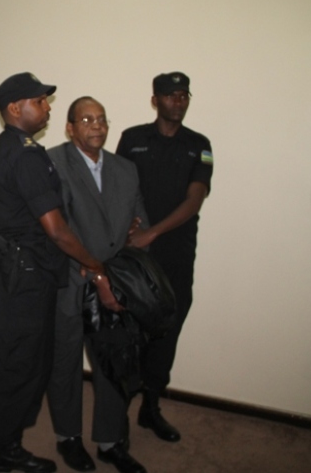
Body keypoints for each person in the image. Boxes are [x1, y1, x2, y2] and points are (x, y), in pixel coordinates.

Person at [0, 73, 121, 473]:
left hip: (20, 272)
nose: (47, 108)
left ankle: (2, 444)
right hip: (25, 275)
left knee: (22, 366)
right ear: (14, 108)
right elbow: (56, 229)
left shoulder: (7, 149)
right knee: (18, 370)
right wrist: (95, 264)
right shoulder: (23, 154)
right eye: (39, 101)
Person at [46, 97, 148, 473]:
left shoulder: (126, 168)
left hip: (116, 281)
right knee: (66, 363)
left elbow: (139, 219)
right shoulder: (53, 162)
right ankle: (67, 438)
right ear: (70, 127)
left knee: (112, 364)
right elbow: (57, 228)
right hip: (70, 281)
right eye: (86, 119)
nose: (97, 126)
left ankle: (109, 441)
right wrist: (95, 271)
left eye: (102, 119)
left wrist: (135, 237)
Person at [116, 72, 213, 443]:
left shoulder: (199, 144)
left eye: (184, 94)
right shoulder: (132, 138)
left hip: (175, 254)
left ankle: (150, 408)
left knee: (166, 332)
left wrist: (152, 232)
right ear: (155, 100)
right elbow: (119, 186)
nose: (179, 101)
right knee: (128, 332)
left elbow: (194, 199)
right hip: (133, 256)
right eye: (170, 95)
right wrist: (127, 227)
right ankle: (118, 411)